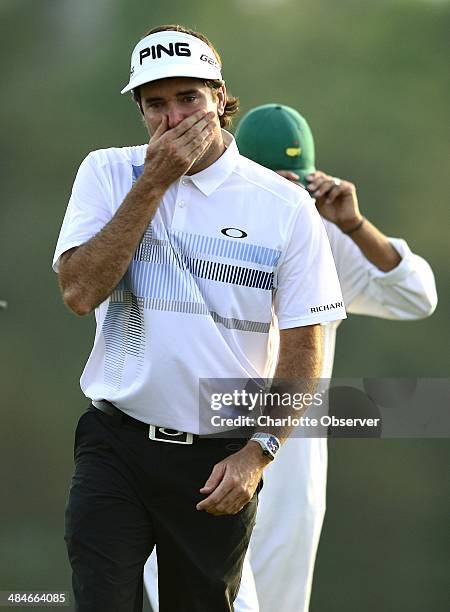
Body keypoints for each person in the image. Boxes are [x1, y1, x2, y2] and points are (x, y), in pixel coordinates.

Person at [52, 25, 347, 612]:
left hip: (216, 458)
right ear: (139, 110)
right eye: (156, 104)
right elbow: (80, 291)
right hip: (116, 440)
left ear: (219, 95)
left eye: (189, 97)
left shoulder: (283, 205)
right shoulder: (108, 173)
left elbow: (302, 348)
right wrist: (153, 183)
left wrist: (257, 453)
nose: (174, 116)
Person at [143, 104, 438, 612]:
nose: (292, 195)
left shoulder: (324, 238)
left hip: (292, 455)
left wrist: (355, 224)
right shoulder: (193, 226)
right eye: (278, 181)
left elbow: (416, 296)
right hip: (203, 442)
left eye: (301, 182)